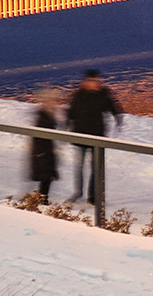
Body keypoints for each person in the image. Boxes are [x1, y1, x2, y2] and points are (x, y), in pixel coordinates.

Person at [65, 70, 125, 202]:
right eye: (93, 81)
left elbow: (114, 108)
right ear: (86, 81)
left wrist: (118, 119)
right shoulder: (78, 95)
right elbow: (70, 112)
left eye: (98, 81)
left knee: (95, 168)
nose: (96, 83)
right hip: (80, 135)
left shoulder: (103, 95)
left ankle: (92, 196)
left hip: (97, 136)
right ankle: (78, 193)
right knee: (79, 167)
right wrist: (66, 128)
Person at [26, 87, 63, 203]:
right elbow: (39, 136)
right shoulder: (43, 116)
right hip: (43, 153)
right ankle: (41, 200)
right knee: (46, 176)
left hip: (46, 152)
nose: (56, 103)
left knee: (47, 177)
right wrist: (42, 153)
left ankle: (40, 199)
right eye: (54, 101)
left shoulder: (48, 114)